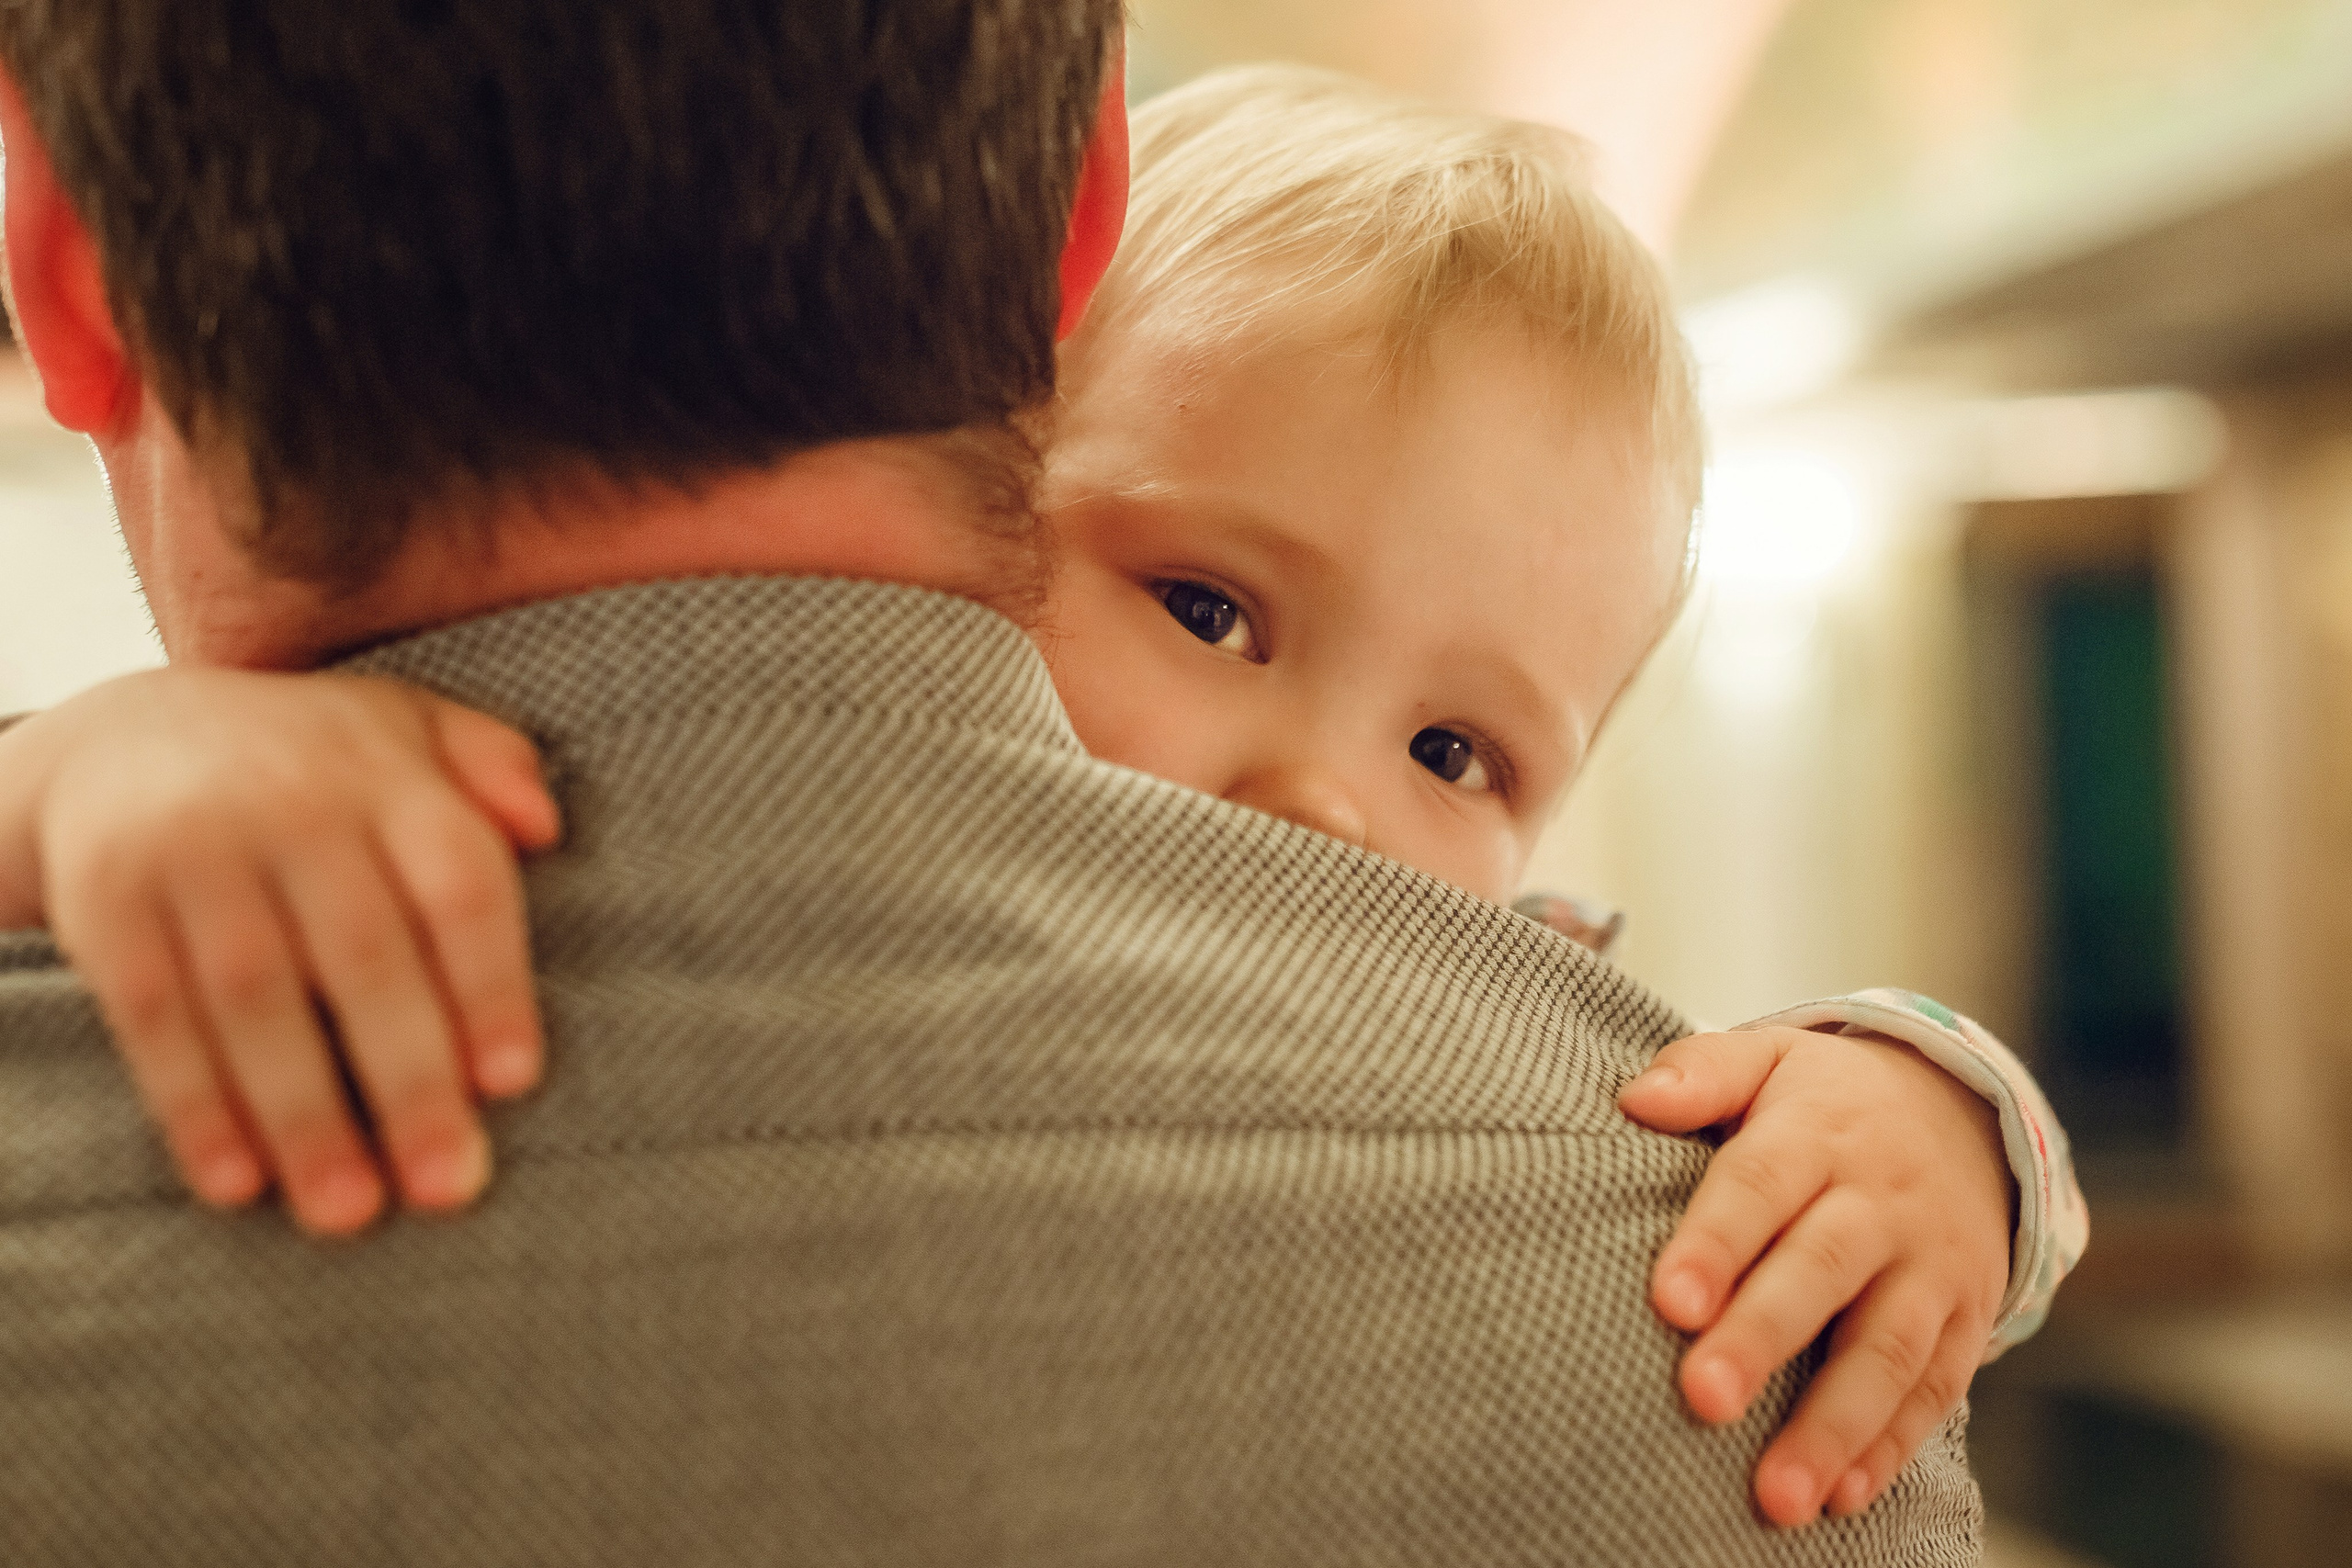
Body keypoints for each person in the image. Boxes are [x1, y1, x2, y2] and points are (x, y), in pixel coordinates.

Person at [0, 8, 1980, 1563]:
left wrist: (1939, 1111)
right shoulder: (1715, 1379)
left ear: (63, 272)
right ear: (1064, 259)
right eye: (1205, 608)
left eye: (1456, 755)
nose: (1315, 804)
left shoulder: (1740, 1212)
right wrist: (68, 770)